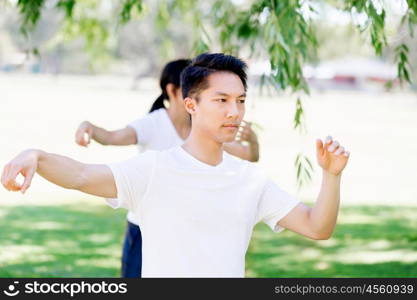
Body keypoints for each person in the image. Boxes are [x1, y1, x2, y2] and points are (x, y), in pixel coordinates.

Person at [1, 53, 350, 278]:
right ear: (191, 104)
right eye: (222, 100)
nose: (235, 111)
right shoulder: (153, 170)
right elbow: (80, 175)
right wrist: (38, 156)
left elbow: (317, 227)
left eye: (241, 101)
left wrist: (331, 176)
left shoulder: (250, 180)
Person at [74, 59, 260, 278]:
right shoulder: (153, 123)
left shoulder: (203, 129)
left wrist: (253, 139)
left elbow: (250, 156)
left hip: (185, 229)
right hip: (145, 228)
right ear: (172, 90)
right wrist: (89, 127)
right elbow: (113, 137)